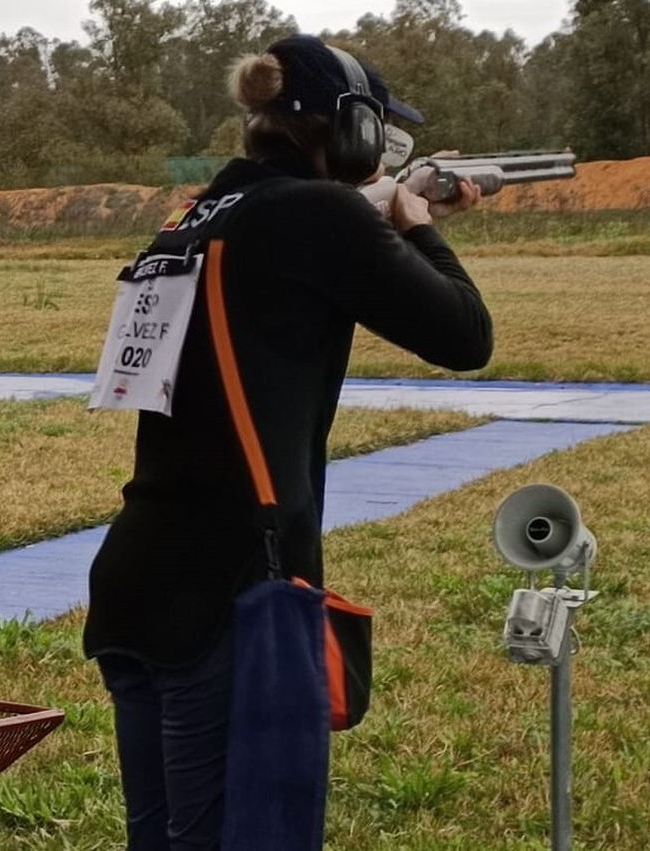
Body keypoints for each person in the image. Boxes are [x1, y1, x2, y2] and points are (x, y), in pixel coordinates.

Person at [82, 34, 493, 850]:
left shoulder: (191, 218)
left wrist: (382, 225)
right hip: (237, 591)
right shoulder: (318, 214)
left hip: (138, 575)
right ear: (350, 131)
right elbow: (465, 333)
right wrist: (414, 224)